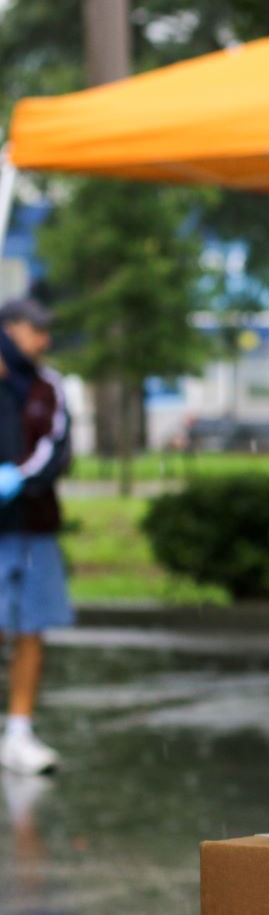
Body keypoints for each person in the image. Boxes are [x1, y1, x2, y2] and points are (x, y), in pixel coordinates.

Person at [0, 299, 71, 776]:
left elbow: (59, 446)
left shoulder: (49, 385)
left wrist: (18, 478)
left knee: (31, 628)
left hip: (34, 524)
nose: (43, 341)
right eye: (34, 330)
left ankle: (19, 734)